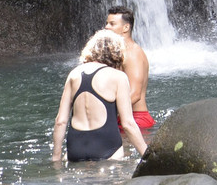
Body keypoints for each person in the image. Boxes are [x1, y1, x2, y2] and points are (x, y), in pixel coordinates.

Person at [51, 30, 148, 162]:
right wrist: (147, 155)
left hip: (75, 149)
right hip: (107, 147)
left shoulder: (73, 74)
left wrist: (56, 157)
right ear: (118, 52)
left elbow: (60, 121)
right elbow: (128, 124)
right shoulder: (118, 77)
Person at [105, 5, 154, 131]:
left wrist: (105, 112)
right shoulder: (121, 52)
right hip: (125, 117)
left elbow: (135, 94)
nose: (106, 27)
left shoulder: (133, 53)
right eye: (107, 23)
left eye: (112, 24)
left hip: (137, 119)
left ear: (126, 27)